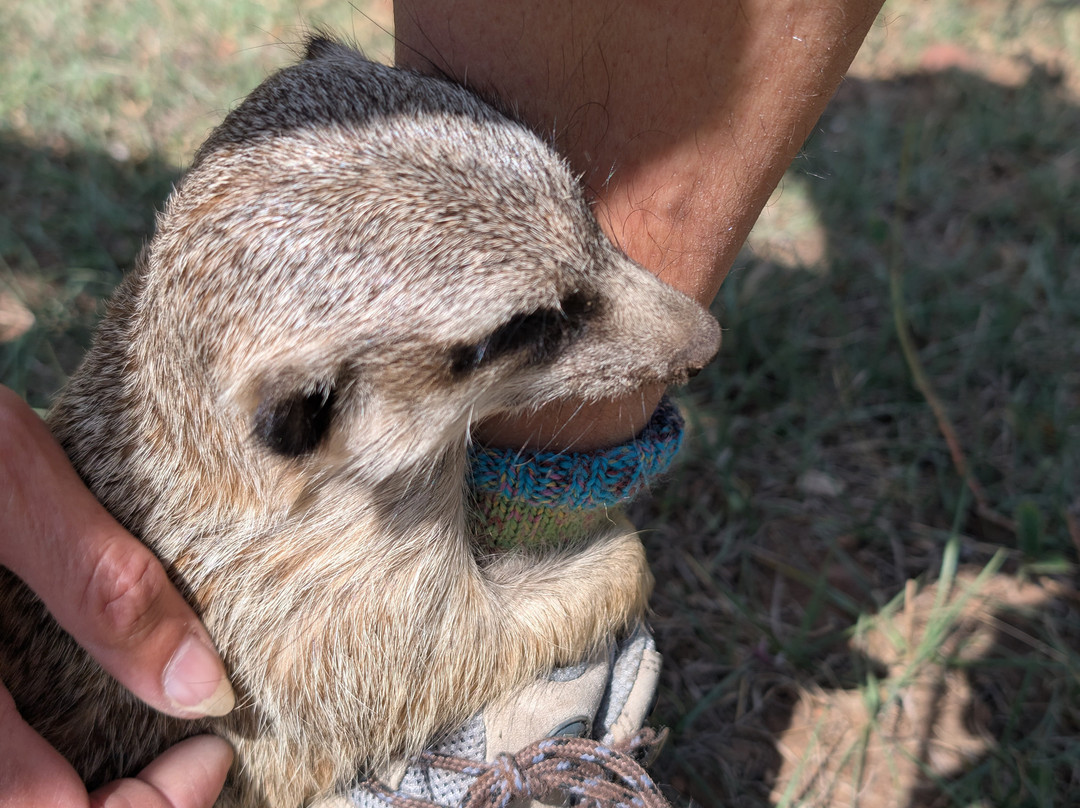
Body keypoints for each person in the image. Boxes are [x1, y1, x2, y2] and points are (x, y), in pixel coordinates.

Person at [0, 1, 883, 803]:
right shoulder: (312, 583)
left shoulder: (247, 386)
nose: (685, 335)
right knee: (603, 577)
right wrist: (609, 571)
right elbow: (455, 654)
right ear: (315, 414)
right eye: (533, 327)